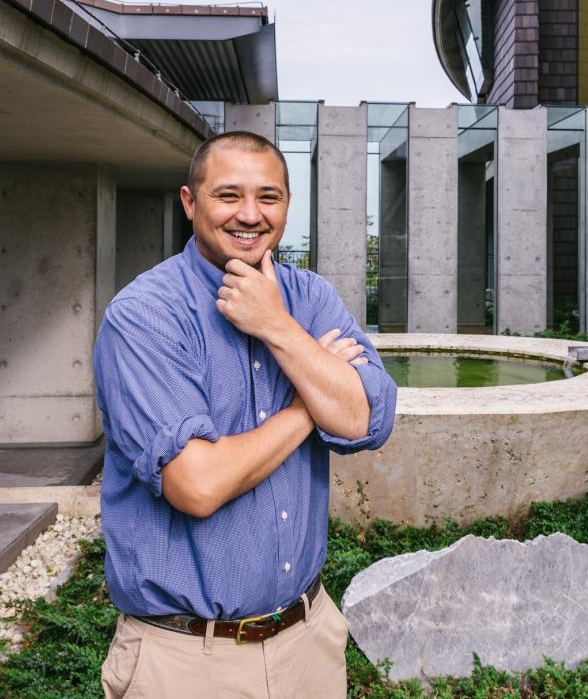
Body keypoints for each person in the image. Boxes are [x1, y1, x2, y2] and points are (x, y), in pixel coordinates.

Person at [93, 130, 397, 699]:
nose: (250, 215)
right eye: (228, 195)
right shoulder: (144, 317)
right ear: (190, 202)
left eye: (270, 197)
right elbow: (197, 483)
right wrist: (311, 402)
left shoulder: (310, 300)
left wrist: (277, 325)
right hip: (187, 662)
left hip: (308, 642)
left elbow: (364, 419)